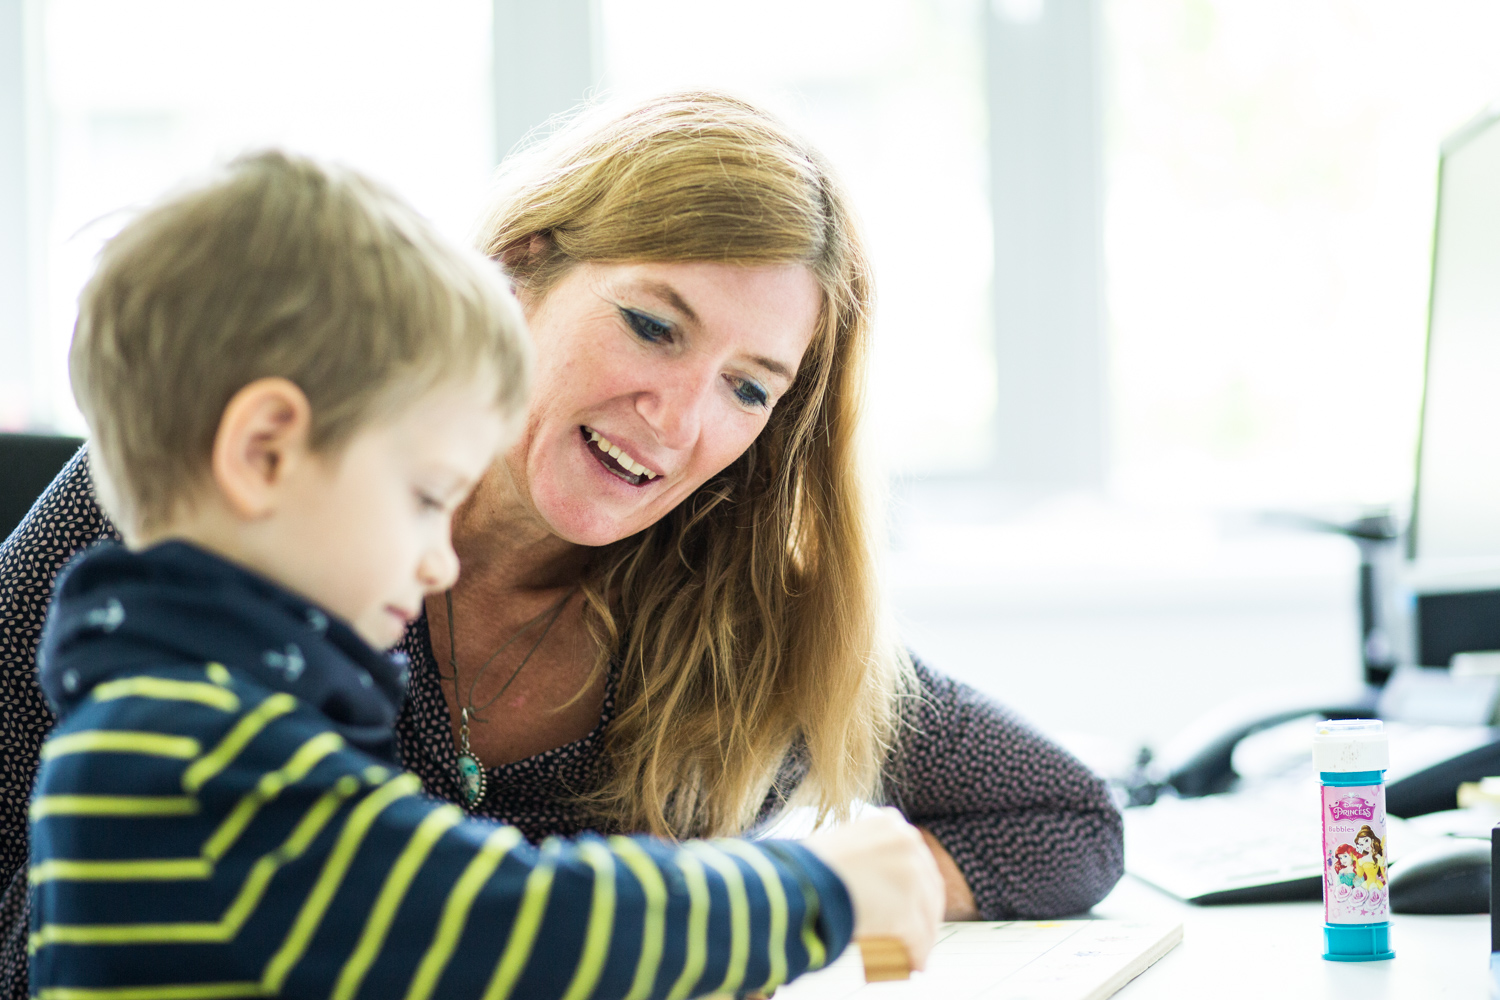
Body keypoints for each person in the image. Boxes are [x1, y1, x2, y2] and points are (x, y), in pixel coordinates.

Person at [1, 91, 1124, 997]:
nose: (678, 423)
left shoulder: (170, 703)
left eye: (747, 388)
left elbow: (1067, 817)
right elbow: (482, 916)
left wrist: (868, 880)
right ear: (521, 269)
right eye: (652, 325)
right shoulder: (203, 737)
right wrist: (796, 891)